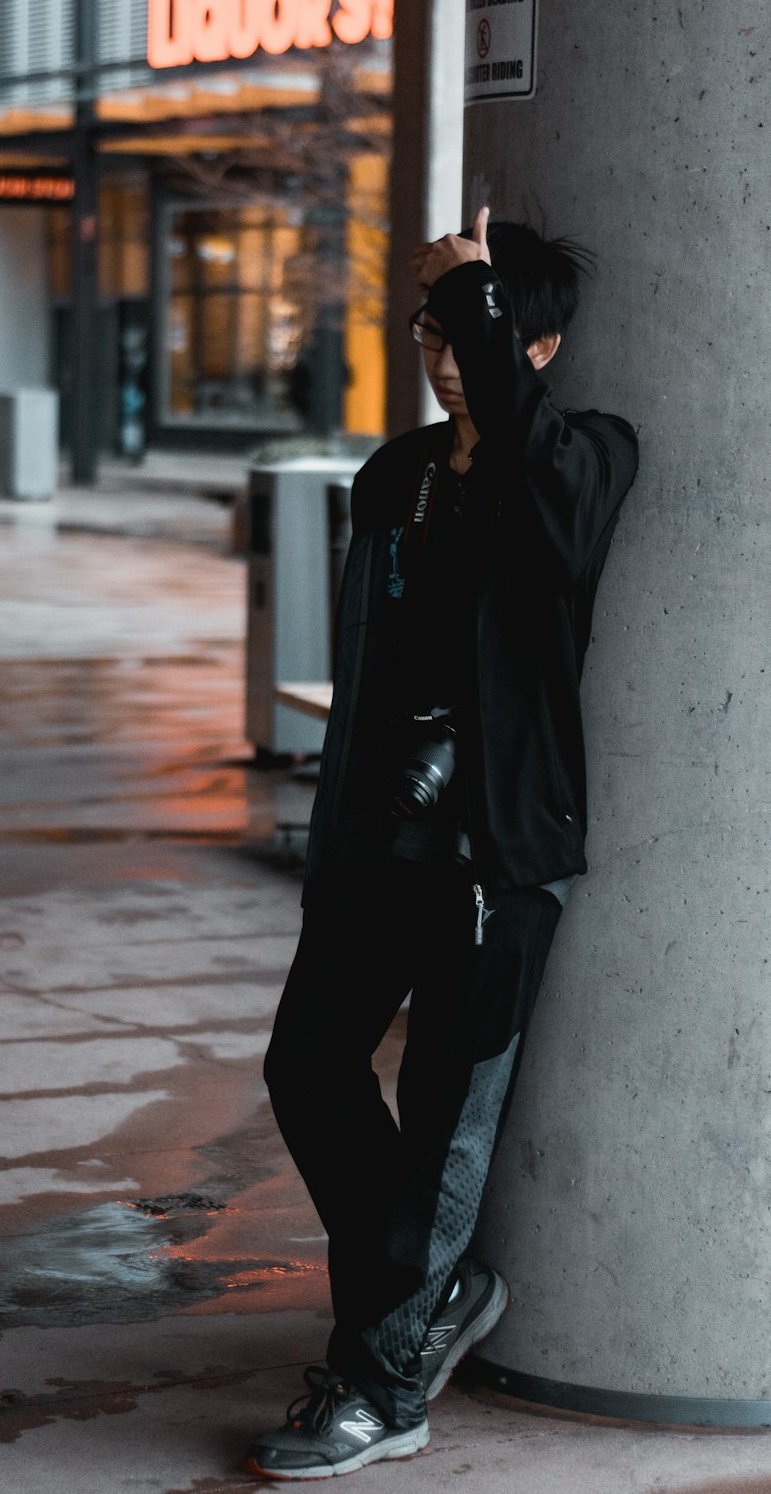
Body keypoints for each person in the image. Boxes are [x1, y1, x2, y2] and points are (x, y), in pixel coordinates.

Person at [245, 209, 639, 1479]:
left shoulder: (586, 463)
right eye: (431, 332)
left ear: (540, 345)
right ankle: (431, 1289)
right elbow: (370, 671)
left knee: (441, 1131)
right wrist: (332, 833)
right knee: (304, 1064)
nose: (448, 357)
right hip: (379, 844)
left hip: (498, 862)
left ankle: (380, 1382)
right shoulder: (396, 472)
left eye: (472, 333)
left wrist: (474, 281)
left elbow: (541, 489)